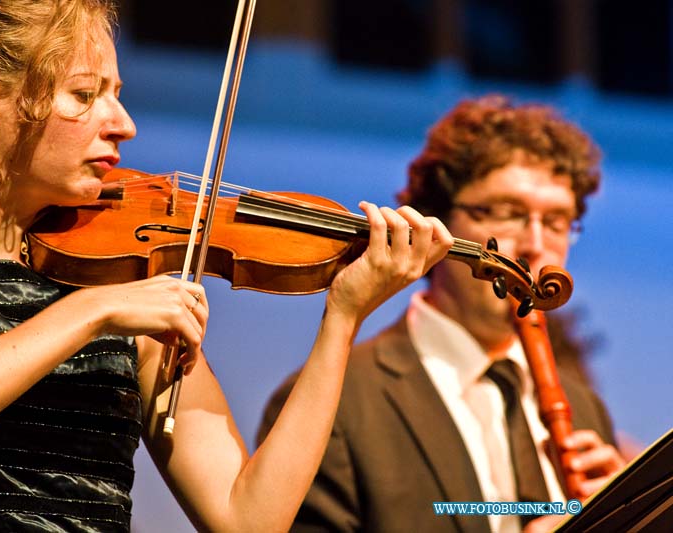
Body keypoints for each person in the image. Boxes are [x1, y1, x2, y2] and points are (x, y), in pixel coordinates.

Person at [0, 1, 453, 531]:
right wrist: (91, 311)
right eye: (85, 95)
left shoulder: (121, 281)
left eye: (117, 92)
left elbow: (249, 518)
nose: (123, 123)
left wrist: (343, 316)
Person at [258, 95, 626, 533]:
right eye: (507, 213)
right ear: (438, 226)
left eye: (557, 221)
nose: (534, 245)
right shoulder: (333, 403)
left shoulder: (585, 407)